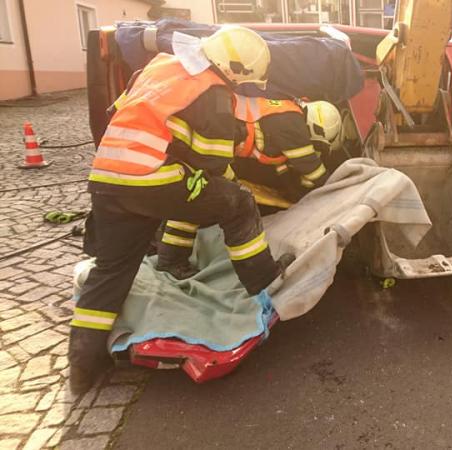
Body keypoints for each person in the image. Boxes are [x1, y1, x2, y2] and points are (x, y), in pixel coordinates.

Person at [69, 26, 286, 394]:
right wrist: (233, 186)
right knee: (238, 202)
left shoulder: (162, 66)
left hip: (107, 177)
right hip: (152, 178)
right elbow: (212, 161)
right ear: (235, 70)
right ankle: (263, 279)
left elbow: (115, 112)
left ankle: (82, 367)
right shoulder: (213, 92)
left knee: (112, 270)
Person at [156, 98, 339, 279]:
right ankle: (260, 275)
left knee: (197, 201)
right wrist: (337, 190)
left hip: (200, 145)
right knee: (232, 205)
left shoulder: (284, 114)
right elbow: (310, 168)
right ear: (317, 129)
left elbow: (281, 164)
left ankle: (168, 258)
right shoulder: (291, 124)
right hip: (205, 148)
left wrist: (292, 191)